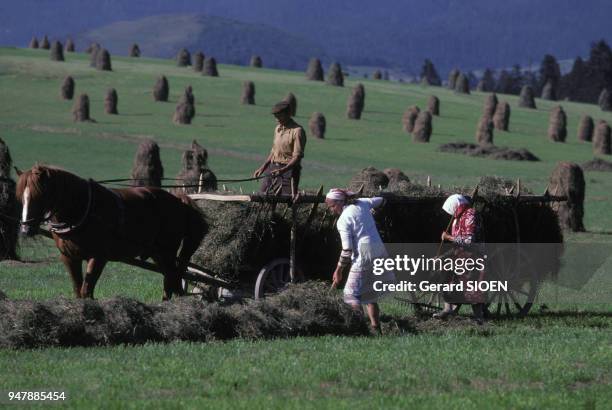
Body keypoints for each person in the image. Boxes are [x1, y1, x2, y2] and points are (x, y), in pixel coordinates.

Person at [325, 188, 395, 334]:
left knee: (350, 295)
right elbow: (382, 201)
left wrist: (338, 270)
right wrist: (372, 213)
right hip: (379, 252)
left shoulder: (343, 221)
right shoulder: (362, 203)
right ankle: (376, 329)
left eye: (331, 206)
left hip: (364, 257)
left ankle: (360, 330)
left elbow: (347, 250)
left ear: (339, 202)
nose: (331, 210)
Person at [434, 194, 486, 323]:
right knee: (445, 274)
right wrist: (442, 257)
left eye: (451, 209)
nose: (451, 213)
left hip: (473, 256)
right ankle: (448, 309)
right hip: (460, 255)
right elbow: (457, 246)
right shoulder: (457, 218)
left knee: (472, 284)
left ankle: (479, 316)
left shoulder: (470, 215)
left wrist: (448, 237)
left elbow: (469, 241)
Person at [253, 101, 306, 196]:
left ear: (288, 114)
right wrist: (263, 167)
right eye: (275, 117)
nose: (277, 119)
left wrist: (283, 170)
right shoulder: (278, 129)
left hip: (289, 171)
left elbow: (297, 157)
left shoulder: (297, 131)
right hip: (272, 168)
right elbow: (274, 151)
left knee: (286, 199)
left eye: (279, 116)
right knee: (263, 196)